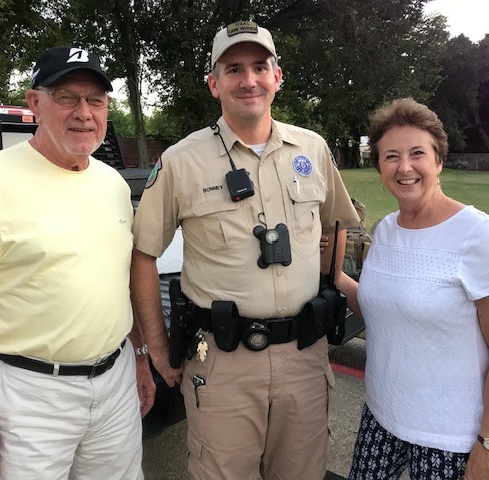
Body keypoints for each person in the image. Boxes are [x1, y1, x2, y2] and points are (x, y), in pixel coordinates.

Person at [130, 21, 359, 480]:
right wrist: (154, 349)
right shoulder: (180, 161)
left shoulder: (311, 149)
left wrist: (331, 292)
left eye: (260, 66)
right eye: (233, 69)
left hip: (305, 356)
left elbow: (337, 227)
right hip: (222, 361)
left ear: (278, 77)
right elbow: (143, 255)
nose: (248, 79)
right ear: (214, 84)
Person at [0, 46, 154, 480]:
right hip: (27, 396)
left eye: (96, 100)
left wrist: (139, 357)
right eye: (67, 96)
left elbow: (118, 282)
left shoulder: (112, 185)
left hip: (115, 382)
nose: (84, 112)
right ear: (35, 103)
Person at [336, 98, 489, 480]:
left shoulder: (479, 236)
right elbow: (381, 310)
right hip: (381, 417)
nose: (404, 167)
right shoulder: (386, 229)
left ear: (438, 161)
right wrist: (336, 278)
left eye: (417, 153)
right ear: (379, 167)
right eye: (391, 156)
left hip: (449, 437)